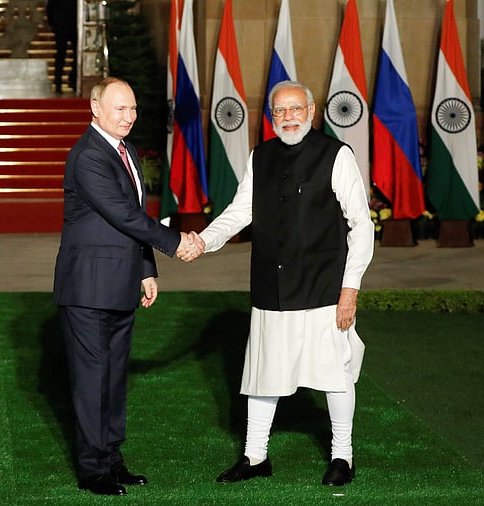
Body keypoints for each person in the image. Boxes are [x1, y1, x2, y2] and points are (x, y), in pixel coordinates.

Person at [185, 80, 374, 486]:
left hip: (325, 288)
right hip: (271, 286)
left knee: (335, 375)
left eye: (295, 109)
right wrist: (204, 240)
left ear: (311, 110)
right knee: (263, 374)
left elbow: (361, 224)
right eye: (280, 111)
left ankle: (343, 456)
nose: (288, 117)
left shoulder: (336, 154)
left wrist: (350, 289)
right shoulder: (261, 156)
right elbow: (240, 212)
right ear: (272, 118)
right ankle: (255, 457)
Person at [53, 77, 198, 496]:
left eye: (133, 108)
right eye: (119, 108)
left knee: (114, 378)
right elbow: (123, 214)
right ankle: (92, 470)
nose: (129, 116)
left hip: (119, 282)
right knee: (91, 380)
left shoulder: (127, 150)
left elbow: (133, 214)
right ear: (95, 108)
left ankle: (112, 460)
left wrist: (145, 269)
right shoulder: (88, 157)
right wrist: (174, 243)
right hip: (87, 289)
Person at [45, 0, 77, 94]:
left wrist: (53, 24)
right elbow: (50, 9)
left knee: (61, 56)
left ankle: (61, 83)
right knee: (64, 56)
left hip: (63, 26)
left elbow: (49, 10)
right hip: (69, 26)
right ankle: (69, 81)